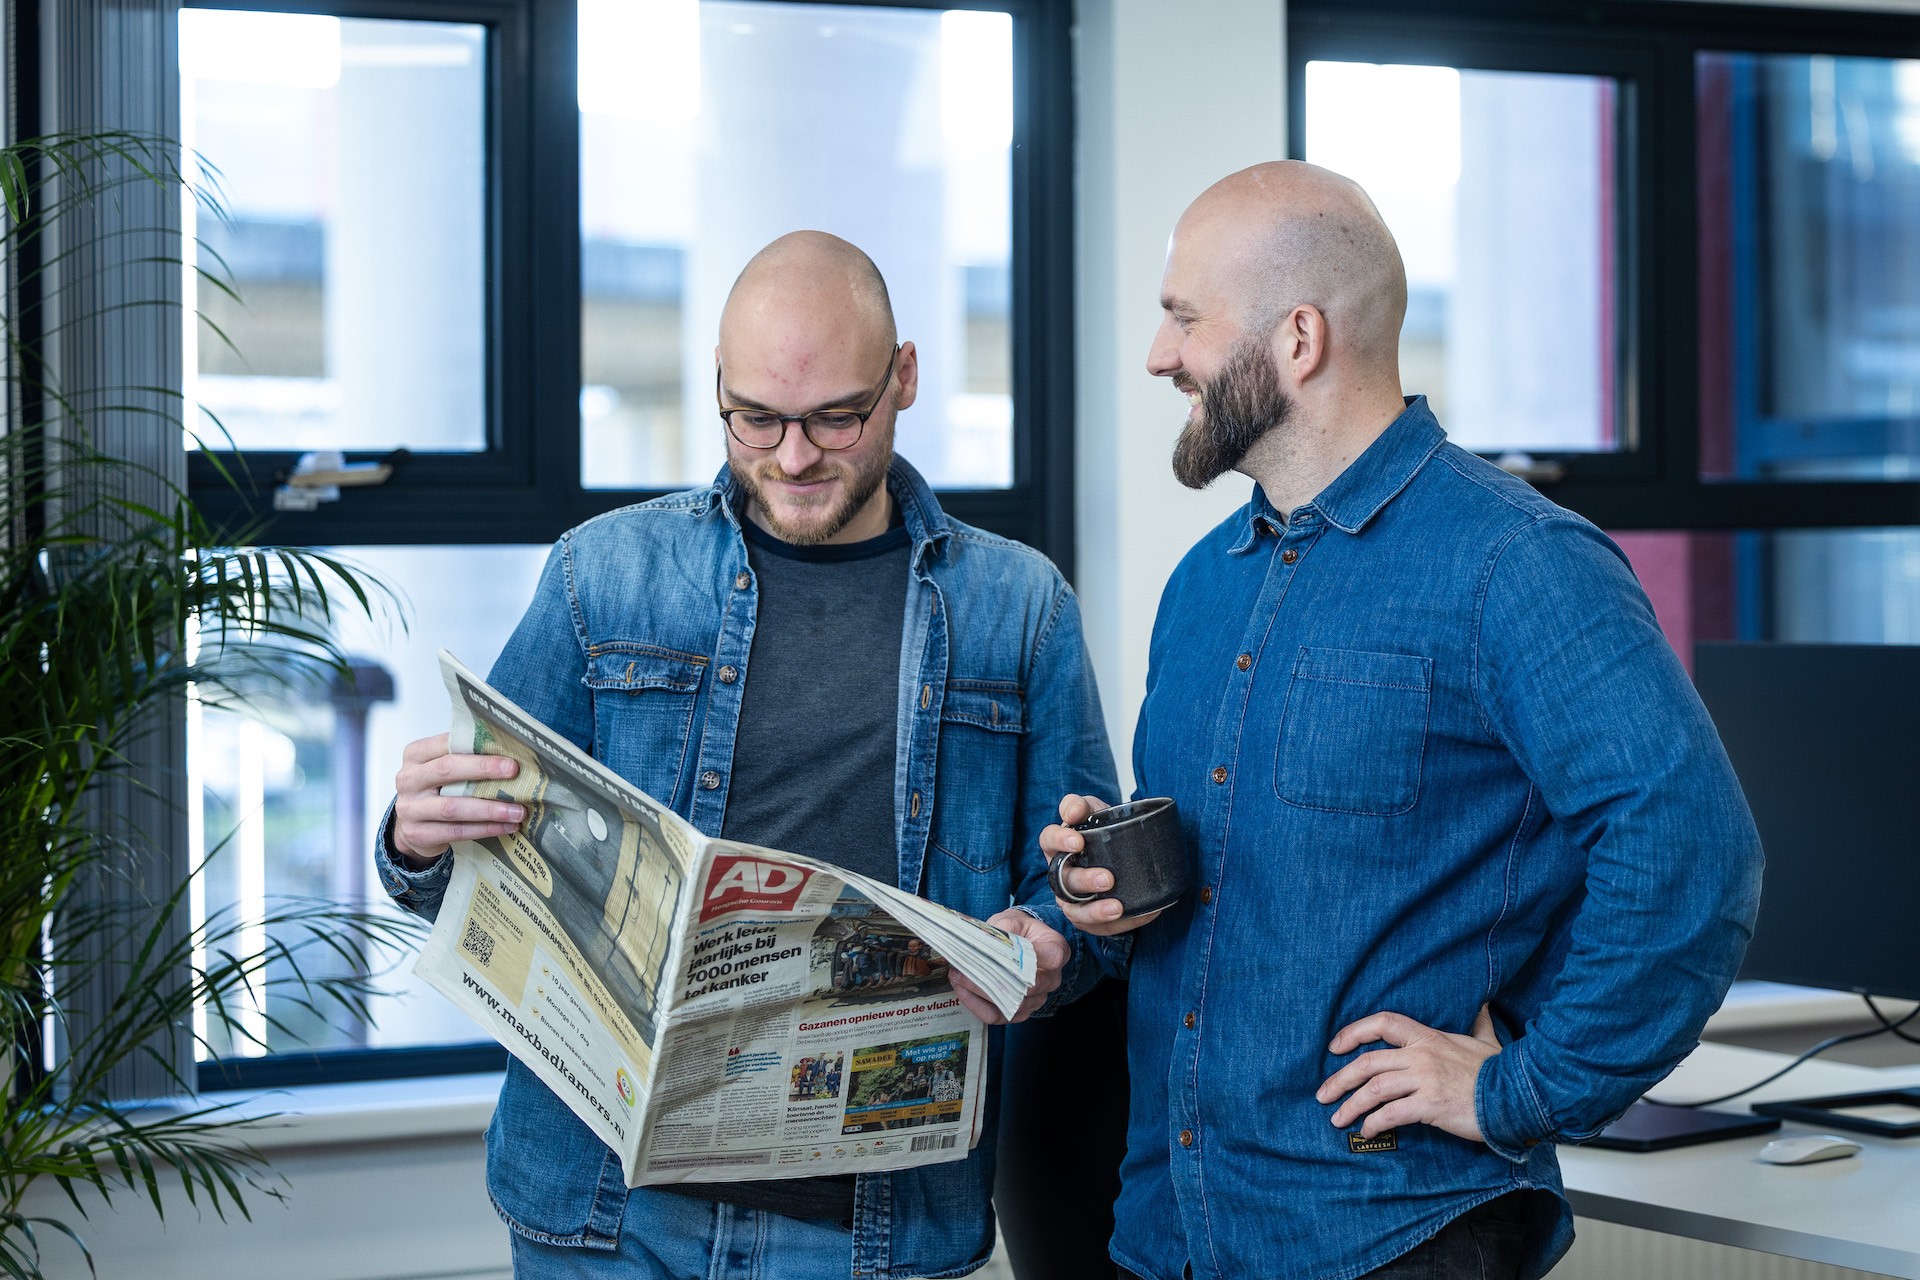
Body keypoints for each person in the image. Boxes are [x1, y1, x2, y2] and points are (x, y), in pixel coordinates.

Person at [1043, 162, 1763, 1280]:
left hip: (1391, 1237)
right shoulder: (1201, 587)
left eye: (1183, 318)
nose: (1158, 355)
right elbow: (1241, 886)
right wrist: (1109, 899)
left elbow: (1691, 853)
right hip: (1174, 1233)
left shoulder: (1518, 565)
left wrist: (1521, 1087)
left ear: (1298, 337)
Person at [376, 230, 1118, 1280]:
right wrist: (416, 838)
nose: (796, 456)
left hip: (873, 1233)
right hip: (603, 1218)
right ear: (718, 387)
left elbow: (1091, 901)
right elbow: (458, 867)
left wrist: (1049, 939)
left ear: (904, 376)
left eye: (835, 418)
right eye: (755, 418)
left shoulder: (1019, 609)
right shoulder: (605, 575)